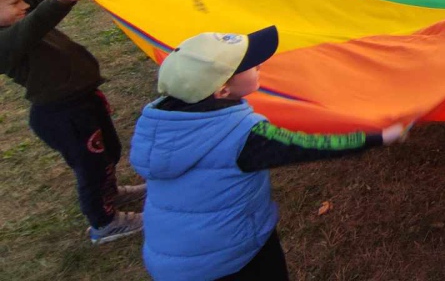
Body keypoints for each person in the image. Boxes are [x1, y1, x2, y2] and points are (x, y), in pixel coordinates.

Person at [131, 26, 409, 280]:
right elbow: (311, 147)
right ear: (223, 89)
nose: (260, 64)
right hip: (229, 259)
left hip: (171, 259)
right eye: (250, 66)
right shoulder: (244, 137)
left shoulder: (162, 120)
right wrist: (379, 136)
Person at [1, 0, 146, 245]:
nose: (24, 5)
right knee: (90, 166)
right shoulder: (7, 40)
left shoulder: (17, 13)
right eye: (15, 2)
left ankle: (111, 193)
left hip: (83, 100)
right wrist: (58, 4)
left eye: (23, 0)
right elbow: (33, 25)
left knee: (108, 151)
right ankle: (104, 223)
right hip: (62, 114)